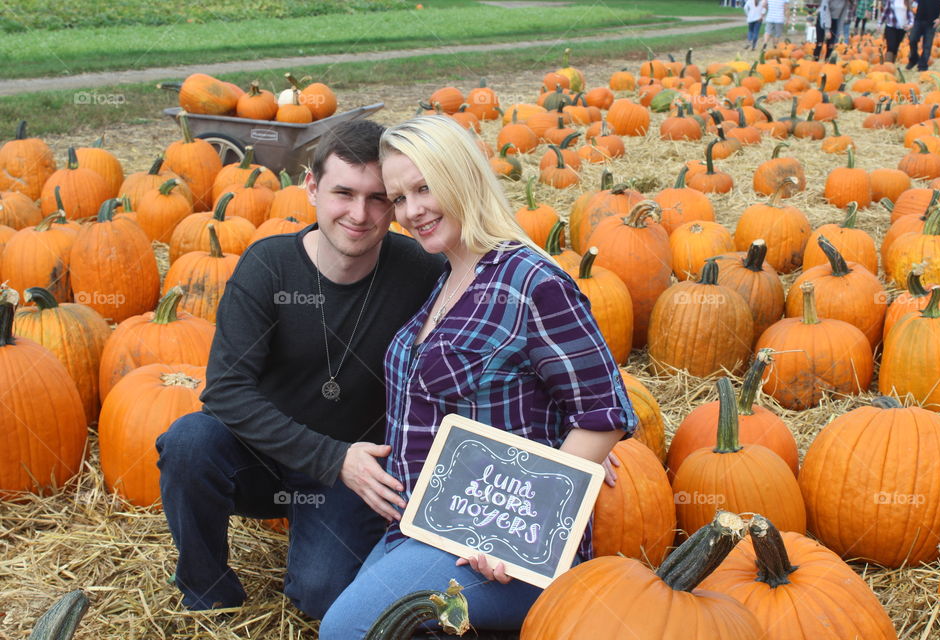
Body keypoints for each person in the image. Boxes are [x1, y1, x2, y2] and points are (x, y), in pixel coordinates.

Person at [318, 115, 637, 638]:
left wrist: (516, 534)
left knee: (347, 632)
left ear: (462, 176)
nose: (412, 211)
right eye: (398, 198)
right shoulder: (446, 276)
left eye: (425, 187)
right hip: (427, 526)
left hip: (500, 550)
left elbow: (603, 414)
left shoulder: (532, 281)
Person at [154, 119, 445, 619]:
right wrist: (331, 456)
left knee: (324, 598)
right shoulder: (269, 268)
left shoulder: (420, 268)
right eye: (343, 193)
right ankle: (208, 593)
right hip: (266, 457)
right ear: (310, 187)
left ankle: (320, 549)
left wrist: (570, 429)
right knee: (188, 442)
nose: (359, 214)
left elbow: (505, 314)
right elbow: (225, 392)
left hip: (356, 475)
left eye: (378, 199)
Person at [907, 0, 940, 70]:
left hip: (932, 21)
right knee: (912, 39)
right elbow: (910, 1)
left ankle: (922, 66)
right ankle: (914, 59)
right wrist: (911, 11)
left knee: (927, 45)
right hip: (919, 19)